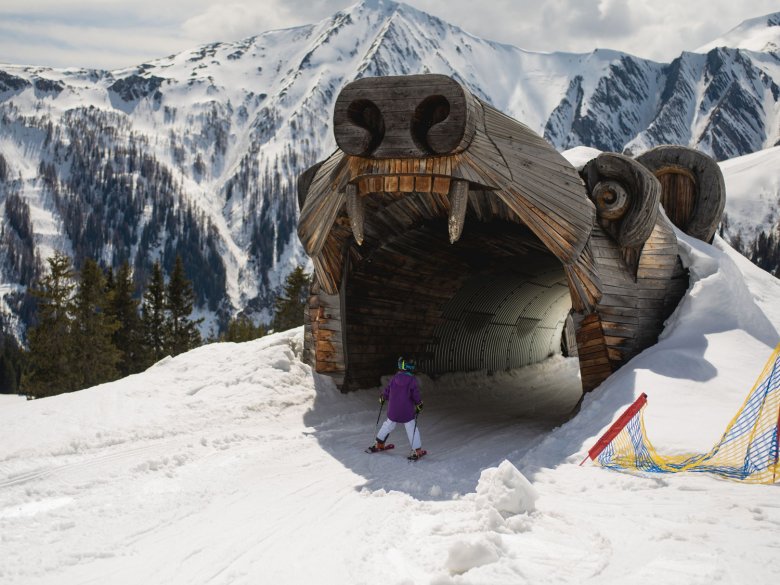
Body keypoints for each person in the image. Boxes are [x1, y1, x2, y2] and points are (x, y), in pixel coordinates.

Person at [370, 357, 425, 459]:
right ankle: (416, 450)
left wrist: (383, 397)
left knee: (388, 425)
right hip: (406, 411)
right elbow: (415, 394)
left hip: (393, 410)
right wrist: (419, 403)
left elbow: (387, 390)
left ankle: (378, 443)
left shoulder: (394, 378)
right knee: (411, 428)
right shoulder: (412, 380)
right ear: (410, 368)